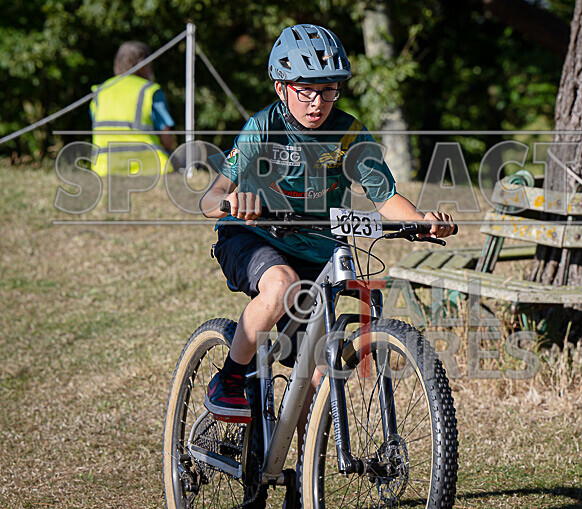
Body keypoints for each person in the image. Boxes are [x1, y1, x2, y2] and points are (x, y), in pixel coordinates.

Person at [198, 23, 455, 504]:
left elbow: (385, 196)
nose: (318, 102)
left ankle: (301, 479)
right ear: (281, 87)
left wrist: (420, 221)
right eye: (306, 91)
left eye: (328, 91)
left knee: (318, 373)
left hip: (319, 250)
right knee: (280, 287)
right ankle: (231, 378)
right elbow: (212, 197)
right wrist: (236, 202)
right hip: (252, 237)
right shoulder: (264, 127)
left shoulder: (349, 131)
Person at [90, 41, 177, 176]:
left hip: (104, 169)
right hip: (149, 168)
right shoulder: (150, 90)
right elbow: (166, 137)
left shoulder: (100, 92)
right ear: (143, 66)